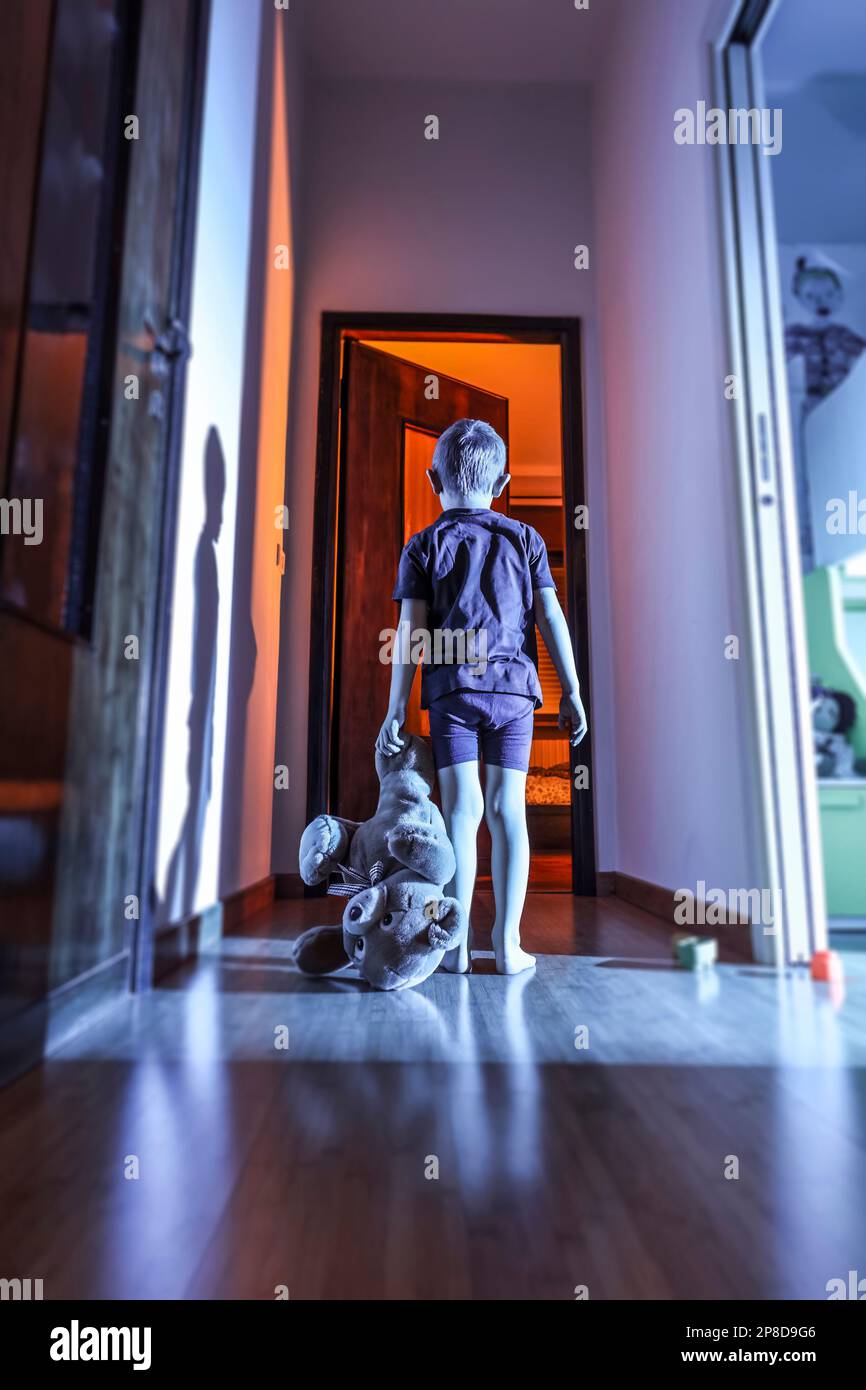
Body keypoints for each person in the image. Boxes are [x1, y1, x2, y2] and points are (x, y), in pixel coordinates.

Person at [375, 418, 587, 974]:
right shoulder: (525, 539)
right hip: (514, 694)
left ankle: (460, 945)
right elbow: (550, 616)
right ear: (503, 481)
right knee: (507, 813)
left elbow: (411, 632)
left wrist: (397, 706)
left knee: (462, 814)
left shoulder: (423, 545)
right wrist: (572, 688)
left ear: (432, 477)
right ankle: (509, 944)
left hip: (452, 692)